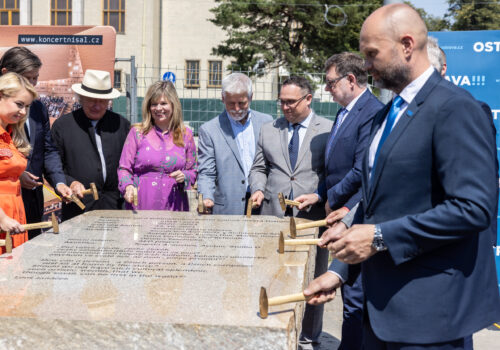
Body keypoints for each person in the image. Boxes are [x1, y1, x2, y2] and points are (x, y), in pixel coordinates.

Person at [304, 4, 500, 349]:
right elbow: (376, 204)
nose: (365, 65)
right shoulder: (386, 116)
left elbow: (473, 209)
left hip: (430, 318)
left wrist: (379, 237)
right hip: (379, 313)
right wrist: (338, 271)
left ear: (407, 45)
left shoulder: (455, 108)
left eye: (371, 54)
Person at [295, 52, 383, 350]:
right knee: (349, 295)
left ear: (351, 79)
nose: (327, 89)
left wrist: (335, 201)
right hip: (340, 211)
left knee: (355, 298)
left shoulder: (371, 112)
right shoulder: (345, 110)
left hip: (357, 214)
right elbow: (336, 167)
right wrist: (320, 194)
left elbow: (362, 170)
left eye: (331, 82)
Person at [249, 76, 332, 350]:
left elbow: (332, 175)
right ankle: (276, 331)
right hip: (274, 217)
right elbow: (259, 168)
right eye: (281, 101)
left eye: (290, 102)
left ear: (308, 99)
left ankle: (309, 338)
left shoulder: (328, 131)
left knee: (312, 279)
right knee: (275, 276)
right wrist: (258, 189)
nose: (284, 107)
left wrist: (320, 195)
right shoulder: (268, 129)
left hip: (312, 220)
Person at [0, 47, 72, 239]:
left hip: (30, 200)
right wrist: (17, 174)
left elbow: (47, 149)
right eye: (27, 78)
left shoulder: (38, 108)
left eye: (35, 78)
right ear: (6, 74)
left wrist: (59, 182)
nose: (33, 84)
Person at [51, 69, 130, 221]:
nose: (97, 106)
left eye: (102, 101)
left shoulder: (121, 125)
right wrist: (70, 182)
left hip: (115, 207)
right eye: (92, 100)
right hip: (78, 207)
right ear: (81, 98)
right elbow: (53, 166)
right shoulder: (63, 126)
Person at [197, 73, 272, 214]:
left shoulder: (266, 123)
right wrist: (206, 197)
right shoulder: (209, 130)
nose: (237, 109)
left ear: (251, 97)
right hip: (227, 207)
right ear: (223, 99)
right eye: (231, 103)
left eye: (242, 103)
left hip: (262, 204)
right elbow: (207, 172)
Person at [118, 81, 197, 210]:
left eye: (163, 103)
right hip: (141, 202)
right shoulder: (137, 133)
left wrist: (185, 176)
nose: (158, 108)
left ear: (173, 104)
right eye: (154, 104)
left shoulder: (186, 134)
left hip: (175, 204)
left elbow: (193, 170)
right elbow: (124, 168)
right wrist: (127, 186)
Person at [0, 72, 38, 253]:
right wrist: (2, 218)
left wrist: (17, 173)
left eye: (27, 107)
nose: (23, 112)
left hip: (15, 211)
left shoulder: (9, 133)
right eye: (19, 104)